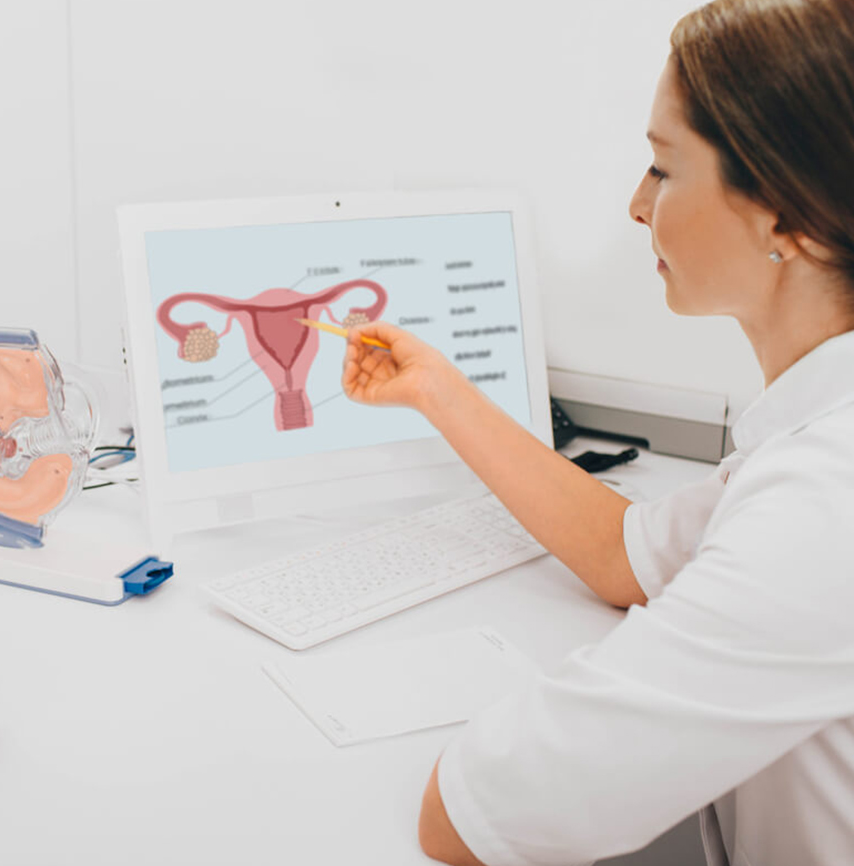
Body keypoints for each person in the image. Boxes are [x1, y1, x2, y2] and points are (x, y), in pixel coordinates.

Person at [341, 0, 854, 863]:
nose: (635, 204)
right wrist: (439, 391)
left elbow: (474, 816)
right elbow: (627, 551)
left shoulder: (823, 508)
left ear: (783, 215)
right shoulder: (812, 438)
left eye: (662, 169)